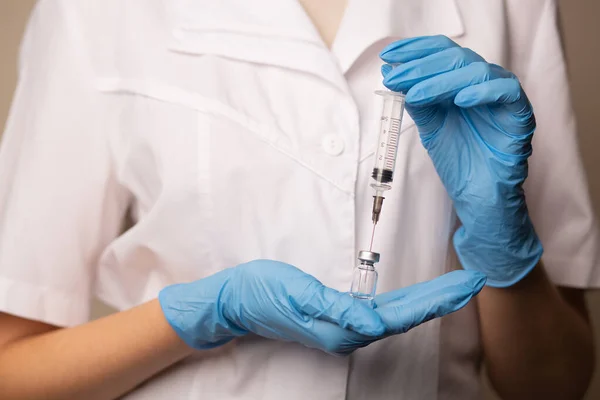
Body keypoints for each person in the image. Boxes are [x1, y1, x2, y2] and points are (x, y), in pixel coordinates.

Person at [0, 0, 597, 399]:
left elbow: (557, 384)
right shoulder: (93, 12)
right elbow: (12, 368)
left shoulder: (511, 6)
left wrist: (504, 246)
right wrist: (206, 314)